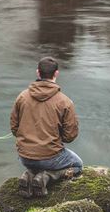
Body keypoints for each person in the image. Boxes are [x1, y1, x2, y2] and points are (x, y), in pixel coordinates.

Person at [10, 57, 83, 198]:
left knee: (35, 158)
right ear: (56, 74)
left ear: (38, 73)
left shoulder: (22, 97)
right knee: (78, 165)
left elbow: (14, 128)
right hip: (50, 157)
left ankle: (29, 173)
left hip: (25, 156)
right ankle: (48, 176)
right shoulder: (65, 102)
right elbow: (70, 137)